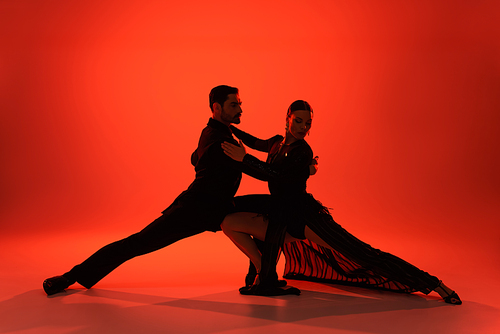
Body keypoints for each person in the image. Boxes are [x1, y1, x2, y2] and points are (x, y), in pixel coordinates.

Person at [220, 100, 462, 304]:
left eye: (308, 123)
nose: (303, 127)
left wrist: (246, 160)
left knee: (364, 253)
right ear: (287, 118)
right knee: (228, 219)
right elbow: (253, 142)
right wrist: (227, 127)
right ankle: (264, 271)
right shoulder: (276, 143)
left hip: (305, 217)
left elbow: (278, 177)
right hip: (280, 215)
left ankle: (436, 284)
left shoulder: (302, 151)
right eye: (298, 121)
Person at [43, 85, 254, 295]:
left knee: (264, 214)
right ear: (217, 108)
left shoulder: (213, 132)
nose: (240, 110)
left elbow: (194, 158)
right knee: (138, 243)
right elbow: (243, 167)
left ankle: (260, 277)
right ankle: (70, 276)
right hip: (195, 209)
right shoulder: (220, 140)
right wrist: (243, 159)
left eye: (239, 104)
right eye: (233, 105)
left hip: (218, 206)